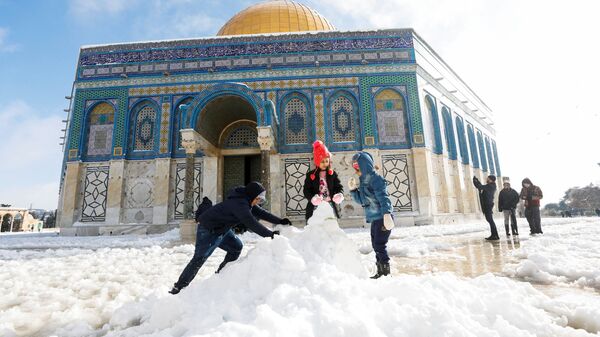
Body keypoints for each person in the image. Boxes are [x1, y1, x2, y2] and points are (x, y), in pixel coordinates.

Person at [170, 182, 292, 294]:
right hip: (208, 230)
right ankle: (179, 287)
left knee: (236, 247)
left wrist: (280, 221)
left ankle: (221, 274)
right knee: (199, 258)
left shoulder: (246, 201)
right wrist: (270, 235)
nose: (258, 202)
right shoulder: (239, 204)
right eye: (258, 199)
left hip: (222, 229)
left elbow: (261, 213)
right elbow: (251, 223)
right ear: (252, 195)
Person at [348, 152, 395, 279]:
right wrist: (353, 191)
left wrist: (387, 214)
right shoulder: (363, 181)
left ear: (365, 165)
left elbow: (384, 197)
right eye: (355, 167)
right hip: (375, 218)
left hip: (383, 217)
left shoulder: (375, 179)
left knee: (380, 245)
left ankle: (385, 272)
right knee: (375, 244)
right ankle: (380, 271)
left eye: (359, 167)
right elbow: (362, 201)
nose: (357, 170)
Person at [303, 140, 344, 220]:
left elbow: (338, 187)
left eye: (326, 161)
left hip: (330, 204)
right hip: (316, 206)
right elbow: (306, 190)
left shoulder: (332, 174)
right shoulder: (311, 175)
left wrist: (339, 195)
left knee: (331, 226)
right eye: (322, 161)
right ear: (317, 162)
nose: (325, 164)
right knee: (316, 228)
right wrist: (312, 198)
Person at [473, 175, 499, 241]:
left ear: (491, 180)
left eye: (487, 178)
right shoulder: (491, 185)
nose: (486, 179)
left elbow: (480, 187)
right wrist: (477, 181)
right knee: (490, 220)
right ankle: (494, 235)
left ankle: (495, 235)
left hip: (488, 205)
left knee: (490, 220)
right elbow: (482, 187)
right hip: (488, 204)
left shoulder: (490, 186)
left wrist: (475, 181)